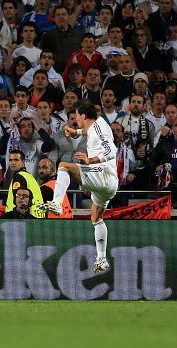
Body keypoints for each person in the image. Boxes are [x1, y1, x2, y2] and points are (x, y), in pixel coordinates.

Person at [42, 100, 118, 273]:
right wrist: (75, 131)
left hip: (103, 174)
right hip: (109, 185)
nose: (75, 119)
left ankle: (57, 204)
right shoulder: (97, 125)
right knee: (96, 218)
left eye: (76, 116)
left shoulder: (98, 129)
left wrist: (90, 160)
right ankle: (101, 259)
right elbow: (88, 131)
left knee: (63, 166)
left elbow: (111, 151)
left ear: (83, 116)